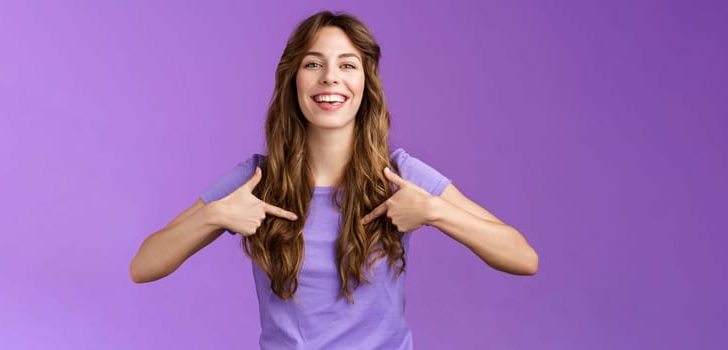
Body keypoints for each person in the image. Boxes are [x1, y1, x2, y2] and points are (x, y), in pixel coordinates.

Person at [129, 10, 538, 349]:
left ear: (365, 82)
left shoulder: (401, 174)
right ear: (294, 80)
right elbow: (143, 265)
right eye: (313, 63)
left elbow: (523, 258)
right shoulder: (256, 179)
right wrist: (214, 216)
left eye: (347, 64)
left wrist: (435, 211)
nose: (330, 77)